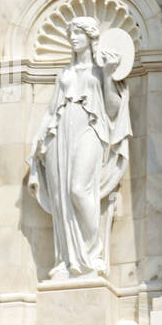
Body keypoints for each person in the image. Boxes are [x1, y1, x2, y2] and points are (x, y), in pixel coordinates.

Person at [26, 17, 131, 278]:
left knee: (78, 190)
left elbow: (114, 109)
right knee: (62, 196)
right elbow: (52, 109)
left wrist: (108, 75)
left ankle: (91, 254)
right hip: (60, 134)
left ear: (91, 36)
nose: (73, 37)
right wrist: (39, 139)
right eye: (70, 32)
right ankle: (67, 259)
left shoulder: (101, 69)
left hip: (91, 130)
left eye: (78, 33)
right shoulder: (65, 73)